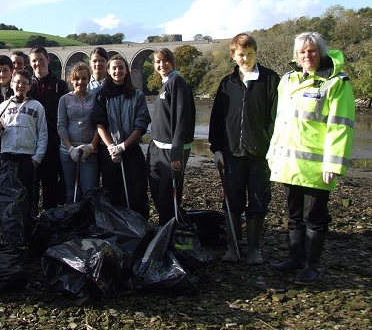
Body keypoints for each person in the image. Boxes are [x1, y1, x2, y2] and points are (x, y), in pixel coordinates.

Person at [267, 32, 355, 285]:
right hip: (289, 162)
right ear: (296, 56)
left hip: (317, 166)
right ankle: (294, 258)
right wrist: (273, 153)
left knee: (314, 218)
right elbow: (281, 122)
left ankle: (311, 266)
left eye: (312, 51)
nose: (307, 56)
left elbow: (340, 126)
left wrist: (334, 162)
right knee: (293, 214)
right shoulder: (288, 80)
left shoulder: (337, 83)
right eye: (302, 52)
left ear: (322, 52)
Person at [209, 34, 279, 264]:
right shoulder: (227, 83)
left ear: (256, 52)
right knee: (232, 202)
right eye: (241, 55)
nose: (246, 59)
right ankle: (232, 247)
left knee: (259, 200)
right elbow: (217, 118)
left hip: (260, 155)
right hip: (232, 154)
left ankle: (254, 249)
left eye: (250, 54)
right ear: (233, 55)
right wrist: (216, 148)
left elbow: (275, 118)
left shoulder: (270, 80)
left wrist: (271, 146)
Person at [93, 55, 151, 218]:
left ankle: (140, 224)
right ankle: (117, 229)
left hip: (131, 149)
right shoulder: (101, 95)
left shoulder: (137, 95)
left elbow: (141, 123)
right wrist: (112, 147)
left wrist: (123, 146)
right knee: (112, 191)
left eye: (121, 67)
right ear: (109, 72)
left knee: (137, 191)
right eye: (114, 68)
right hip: (109, 153)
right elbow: (99, 124)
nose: (118, 71)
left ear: (126, 70)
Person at [147, 48, 196, 226]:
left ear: (172, 61)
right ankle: (165, 225)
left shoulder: (178, 82)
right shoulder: (166, 82)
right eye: (157, 62)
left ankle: (171, 230)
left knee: (168, 193)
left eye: (165, 61)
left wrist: (176, 152)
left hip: (172, 151)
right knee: (157, 192)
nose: (161, 65)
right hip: (158, 147)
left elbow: (183, 118)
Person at [0, 69, 48, 226]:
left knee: (28, 193)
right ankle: (8, 225)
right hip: (7, 154)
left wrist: (37, 158)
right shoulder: (4, 105)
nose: (21, 86)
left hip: (27, 156)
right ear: (11, 84)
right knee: (6, 192)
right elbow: (0, 131)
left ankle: (29, 223)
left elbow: (43, 134)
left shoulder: (37, 106)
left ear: (29, 87)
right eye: (18, 82)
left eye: (25, 83)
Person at [28, 46, 69, 209]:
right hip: (32, 140)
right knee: (32, 183)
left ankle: (50, 217)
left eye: (41, 59)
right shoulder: (27, 85)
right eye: (34, 61)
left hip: (53, 140)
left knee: (50, 182)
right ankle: (31, 218)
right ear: (30, 63)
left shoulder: (60, 85)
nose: (38, 63)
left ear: (48, 60)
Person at [57, 62, 100, 203]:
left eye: (84, 78)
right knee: (71, 191)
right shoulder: (64, 99)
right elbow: (61, 125)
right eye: (76, 78)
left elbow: (98, 125)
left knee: (90, 190)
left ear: (88, 79)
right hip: (68, 151)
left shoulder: (95, 99)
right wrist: (70, 149)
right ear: (71, 79)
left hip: (89, 151)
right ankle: (72, 221)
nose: (80, 82)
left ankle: (89, 222)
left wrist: (91, 146)